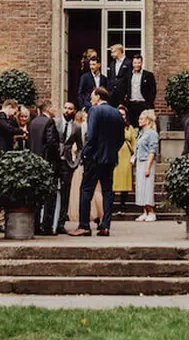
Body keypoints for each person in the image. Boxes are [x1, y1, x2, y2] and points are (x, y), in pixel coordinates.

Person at [72, 87, 124, 236]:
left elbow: (92, 135)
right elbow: (120, 138)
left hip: (94, 158)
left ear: (99, 97)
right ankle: (105, 225)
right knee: (108, 192)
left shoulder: (94, 111)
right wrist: (112, 151)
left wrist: (86, 154)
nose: (90, 99)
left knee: (86, 190)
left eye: (92, 96)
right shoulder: (116, 112)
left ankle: (84, 226)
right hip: (110, 158)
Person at [26, 100, 61, 235]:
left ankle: (35, 225)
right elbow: (51, 142)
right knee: (49, 197)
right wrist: (56, 156)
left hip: (35, 162)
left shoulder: (33, 122)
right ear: (49, 108)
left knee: (37, 197)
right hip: (47, 163)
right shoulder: (49, 122)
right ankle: (47, 226)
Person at [53, 101, 79, 233]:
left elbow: (80, 147)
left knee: (65, 193)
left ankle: (61, 223)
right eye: (66, 108)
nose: (67, 111)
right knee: (52, 192)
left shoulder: (76, 127)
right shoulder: (55, 123)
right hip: (54, 161)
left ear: (74, 111)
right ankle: (49, 221)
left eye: (70, 108)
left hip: (67, 163)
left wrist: (75, 163)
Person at [133, 109, 160, 222]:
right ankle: (145, 211)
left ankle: (151, 211)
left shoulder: (152, 133)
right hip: (140, 161)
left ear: (148, 120)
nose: (139, 120)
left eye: (141, 119)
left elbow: (152, 151)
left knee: (147, 187)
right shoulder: (142, 133)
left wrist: (148, 167)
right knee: (140, 187)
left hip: (146, 162)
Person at [123, 53, 157, 124]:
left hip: (143, 104)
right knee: (133, 124)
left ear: (141, 63)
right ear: (132, 63)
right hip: (131, 104)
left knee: (144, 124)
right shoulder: (128, 75)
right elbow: (125, 88)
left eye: (139, 63)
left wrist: (148, 103)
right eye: (135, 63)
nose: (137, 65)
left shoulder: (148, 75)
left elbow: (153, 91)